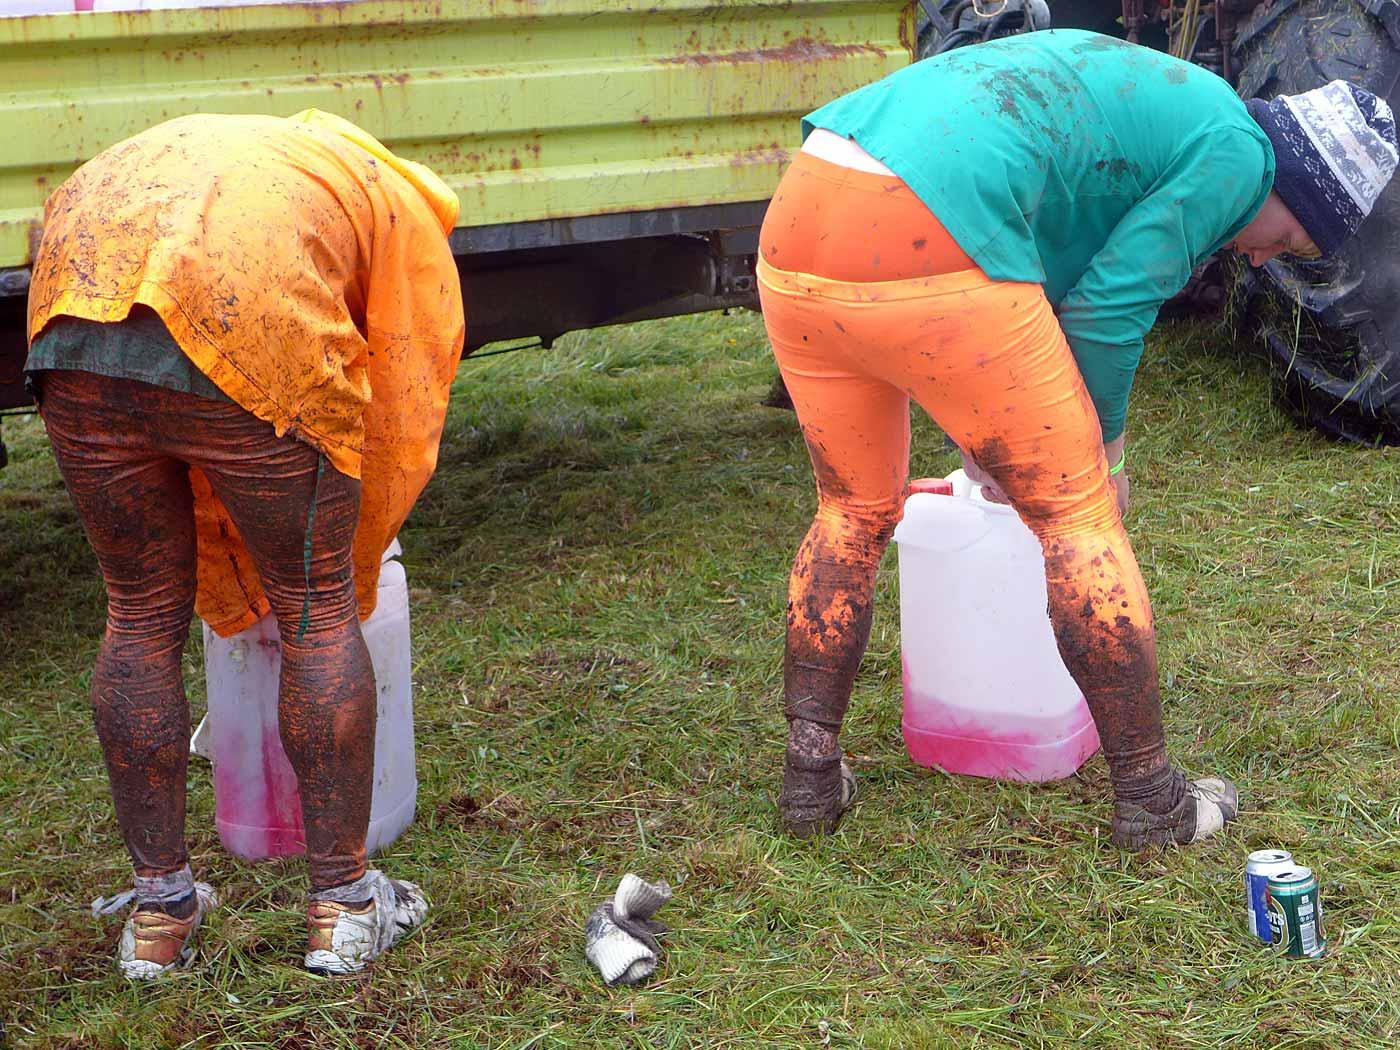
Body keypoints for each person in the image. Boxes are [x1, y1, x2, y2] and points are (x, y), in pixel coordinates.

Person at [758, 29, 1397, 846]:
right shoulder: (1242, 152)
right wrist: (1108, 458)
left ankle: (810, 779)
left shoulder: (1159, 107)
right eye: (1289, 241)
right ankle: (1151, 800)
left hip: (806, 211)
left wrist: (986, 433)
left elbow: (1031, 264)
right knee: (1077, 517)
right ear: (1296, 187)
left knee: (851, 508)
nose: (1265, 258)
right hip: (931, 224)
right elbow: (1105, 308)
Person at [25, 110, 465, 976]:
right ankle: (341, 905)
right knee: (316, 609)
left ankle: (160, 915)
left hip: (71, 316)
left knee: (140, 614)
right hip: (237, 303)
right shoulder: (388, 198)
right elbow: (408, 373)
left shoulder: (229, 152)